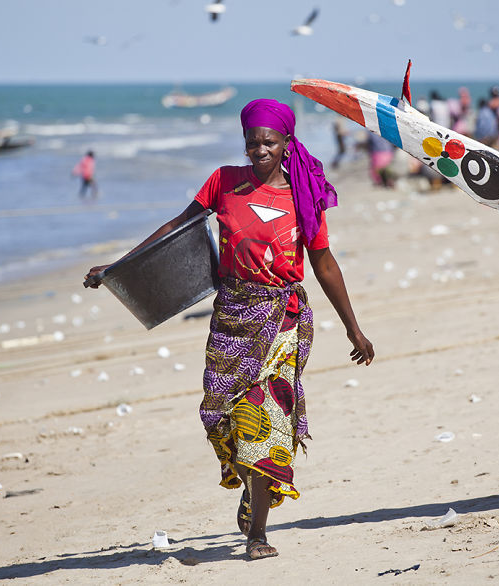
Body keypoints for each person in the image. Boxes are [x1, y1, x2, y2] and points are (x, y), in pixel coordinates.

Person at [84, 99, 374, 560]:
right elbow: (178, 227)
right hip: (231, 317)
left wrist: (353, 329)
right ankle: (250, 484)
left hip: (281, 321)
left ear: (286, 143)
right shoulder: (223, 182)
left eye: (269, 142)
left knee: (266, 422)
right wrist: (118, 268)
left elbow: (323, 263)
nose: (260, 149)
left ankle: (257, 533)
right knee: (221, 417)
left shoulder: (302, 196)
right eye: (252, 142)